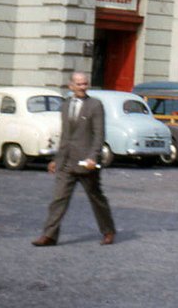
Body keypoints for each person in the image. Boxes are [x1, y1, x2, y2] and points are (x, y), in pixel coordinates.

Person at [32, 71, 116, 247]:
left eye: (85, 84)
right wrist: (56, 159)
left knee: (96, 197)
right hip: (66, 162)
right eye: (79, 84)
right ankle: (49, 235)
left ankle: (108, 231)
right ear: (71, 86)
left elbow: (99, 135)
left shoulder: (95, 105)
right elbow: (65, 136)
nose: (82, 87)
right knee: (58, 199)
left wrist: (93, 157)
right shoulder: (66, 105)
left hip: (87, 163)